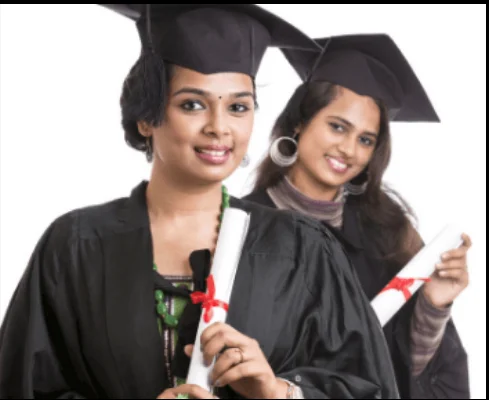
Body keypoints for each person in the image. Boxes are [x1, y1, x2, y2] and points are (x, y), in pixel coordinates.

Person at [0, 6, 400, 400]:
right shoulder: (78, 245)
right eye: (192, 104)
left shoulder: (301, 249)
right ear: (146, 116)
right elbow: (20, 386)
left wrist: (278, 392)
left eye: (238, 107)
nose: (219, 127)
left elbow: (369, 387)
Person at [244, 33, 472, 399]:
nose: (349, 150)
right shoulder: (243, 227)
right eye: (338, 126)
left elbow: (400, 373)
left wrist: (432, 306)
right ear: (299, 122)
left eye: (366, 140)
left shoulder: (387, 234)